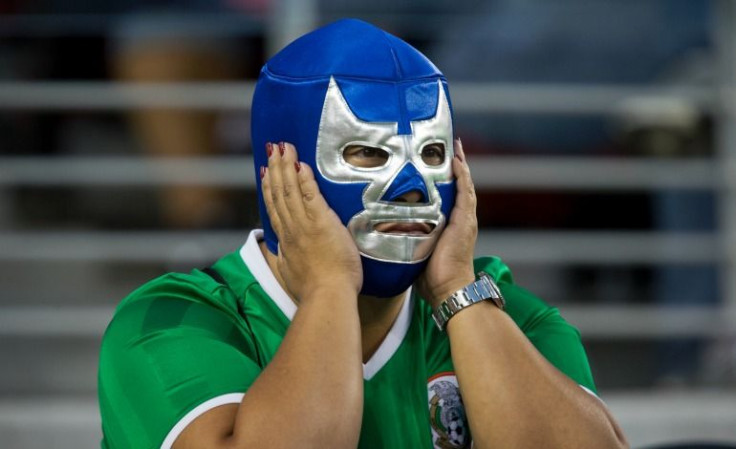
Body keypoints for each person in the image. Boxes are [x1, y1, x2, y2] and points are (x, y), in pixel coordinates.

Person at [98, 19, 628, 449]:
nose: (412, 190)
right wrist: (330, 287)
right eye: (369, 154)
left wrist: (458, 295)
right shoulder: (171, 322)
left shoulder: (503, 313)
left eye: (432, 156)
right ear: (282, 170)